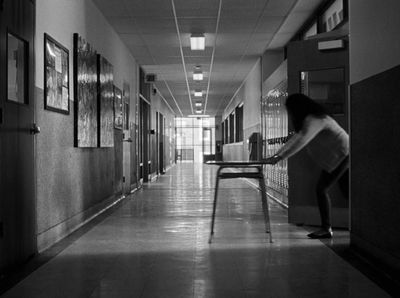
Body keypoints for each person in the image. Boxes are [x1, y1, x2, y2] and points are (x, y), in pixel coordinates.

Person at [265, 93, 349, 239]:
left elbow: (302, 139)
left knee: (322, 189)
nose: (290, 113)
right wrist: (276, 156)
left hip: (342, 154)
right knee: (346, 190)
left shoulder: (316, 119)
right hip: (339, 156)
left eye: (290, 109)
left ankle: (326, 228)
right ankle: (342, 225)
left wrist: (279, 157)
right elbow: (296, 138)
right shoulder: (311, 119)